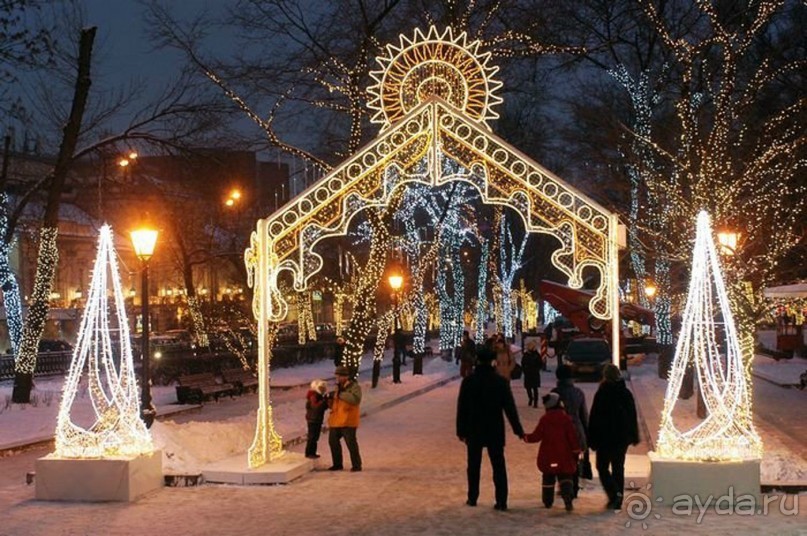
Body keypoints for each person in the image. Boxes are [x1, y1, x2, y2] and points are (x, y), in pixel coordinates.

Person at [456, 348, 525, 511]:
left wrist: (461, 430)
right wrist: (518, 430)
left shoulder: (468, 381)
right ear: (493, 362)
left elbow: (462, 408)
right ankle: (501, 500)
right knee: (498, 465)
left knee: (473, 465)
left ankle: (472, 497)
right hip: (494, 428)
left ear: (477, 361)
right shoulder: (500, 382)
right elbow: (510, 408)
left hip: (474, 428)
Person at [588, 363, 639, 510]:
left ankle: (613, 494)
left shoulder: (602, 393)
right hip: (621, 438)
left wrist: (592, 438)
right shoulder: (625, 393)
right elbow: (632, 416)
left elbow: (595, 417)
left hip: (604, 438)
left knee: (602, 466)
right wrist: (633, 435)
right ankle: (618, 497)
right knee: (618, 467)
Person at [523, 392, 581, 511]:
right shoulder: (566, 419)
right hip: (565, 455)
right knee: (565, 477)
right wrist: (576, 450)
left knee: (548, 478)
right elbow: (572, 437)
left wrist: (525, 437)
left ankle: (547, 501)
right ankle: (567, 497)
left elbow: (537, 436)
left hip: (548, 455)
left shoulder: (545, 419)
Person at [552, 364, 589, 498]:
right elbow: (584, 415)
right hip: (576, 430)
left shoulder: (554, 393)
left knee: (560, 460)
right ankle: (574, 486)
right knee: (574, 460)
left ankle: (564, 486)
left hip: (559, 432)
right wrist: (586, 434)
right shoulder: (578, 393)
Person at [327, 366, 363, 472]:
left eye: (339, 376)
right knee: (333, 442)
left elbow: (355, 400)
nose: (337, 378)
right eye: (337, 376)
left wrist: (340, 394)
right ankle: (337, 464)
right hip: (336, 420)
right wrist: (329, 400)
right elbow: (335, 403)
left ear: (346, 377)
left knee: (351, 444)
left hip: (348, 421)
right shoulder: (337, 387)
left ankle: (357, 465)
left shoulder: (354, 387)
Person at [304, 379, 328, 459]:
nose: (323, 390)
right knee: (312, 437)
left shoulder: (318, 395)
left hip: (316, 418)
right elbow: (315, 407)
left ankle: (312, 452)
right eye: (321, 388)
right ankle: (309, 453)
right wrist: (323, 402)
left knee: (315, 437)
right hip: (313, 419)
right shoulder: (314, 395)